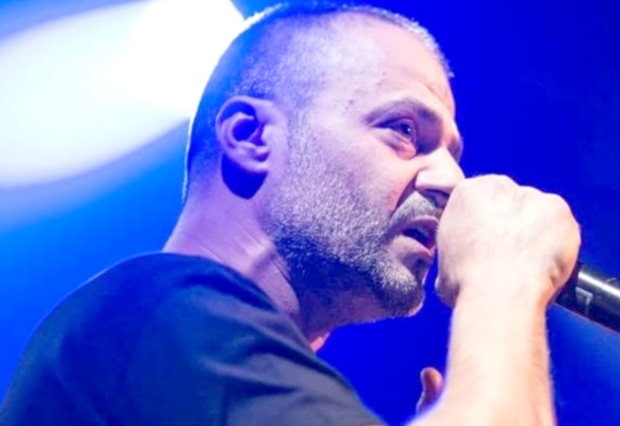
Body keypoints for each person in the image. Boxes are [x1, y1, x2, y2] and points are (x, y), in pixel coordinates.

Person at [0, 3, 581, 426]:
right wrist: (504, 281)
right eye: (404, 130)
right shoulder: (152, 314)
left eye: (452, 154)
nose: (451, 182)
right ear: (250, 137)